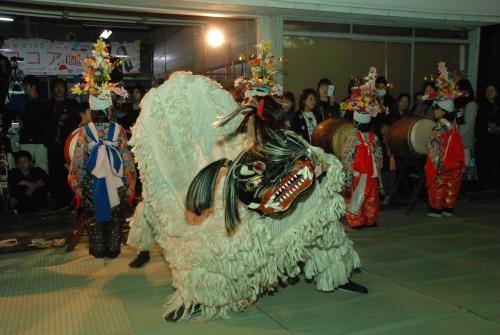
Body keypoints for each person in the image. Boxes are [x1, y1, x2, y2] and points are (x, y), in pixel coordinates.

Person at [128, 41, 365, 322]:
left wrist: (318, 168)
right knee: (220, 240)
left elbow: (311, 164)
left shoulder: (284, 143)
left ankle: (335, 271)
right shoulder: (241, 157)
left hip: (279, 192)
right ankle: (202, 295)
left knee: (323, 215)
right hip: (256, 202)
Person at [68, 39, 136, 258]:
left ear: (91, 108)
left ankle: (99, 249)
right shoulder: (118, 130)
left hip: (92, 182)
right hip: (115, 181)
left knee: (96, 216)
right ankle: (113, 248)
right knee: (115, 217)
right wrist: (130, 184)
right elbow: (127, 161)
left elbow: (77, 161)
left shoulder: (84, 131)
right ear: (110, 108)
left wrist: (76, 184)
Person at [341, 67, 384, 228]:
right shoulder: (374, 137)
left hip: (358, 171)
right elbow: (379, 155)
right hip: (371, 171)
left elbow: (347, 155)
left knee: (357, 195)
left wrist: (348, 171)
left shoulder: (354, 137)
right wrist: (378, 169)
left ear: (355, 122)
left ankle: (356, 220)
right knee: (372, 196)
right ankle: (371, 219)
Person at [424, 62, 465, 217]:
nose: (434, 111)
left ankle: (436, 208)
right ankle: (448, 208)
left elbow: (432, 147)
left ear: (443, 111)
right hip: (455, 160)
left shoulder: (439, 127)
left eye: (436, 108)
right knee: (452, 185)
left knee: (437, 184)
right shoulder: (454, 125)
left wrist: (431, 163)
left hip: (440, 161)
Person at [46, 78, 80, 207]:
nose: (59, 89)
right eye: (56, 87)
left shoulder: (72, 103)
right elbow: (45, 123)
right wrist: (57, 121)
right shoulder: (47, 105)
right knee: (55, 171)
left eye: (61, 87)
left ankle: (72, 198)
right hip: (54, 144)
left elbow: (76, 120)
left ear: (65, 89)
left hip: (69, 143)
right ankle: (57, 199)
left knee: (70, 170)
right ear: (52, 89)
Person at [7, 75, 49, 173]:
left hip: (41, 143)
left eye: (25, 85)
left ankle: (41, 188)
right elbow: (12, 120)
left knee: (42, 169)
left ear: (33, 86)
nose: (23, 88)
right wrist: (14, 144)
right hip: (24, 142)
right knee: (24, 170)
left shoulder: (44, 102)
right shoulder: (19, 101)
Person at [475, 83, 500, 188]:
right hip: (485, 139)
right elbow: (479, 122)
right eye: (487, 91)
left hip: (497, 138)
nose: (489, 93)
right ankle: (485, 183)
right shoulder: (481, 106)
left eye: (492, 90)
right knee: (485, 161)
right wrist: (487, 126)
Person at [455, 79, 478, 169]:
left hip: (465, 142)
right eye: (456, 90)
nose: (457, 92)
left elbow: (468, 125)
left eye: (459, 89)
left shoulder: (471, 104)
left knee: (465, 170)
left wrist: (456, 136)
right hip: (458, 141)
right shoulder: (460, 103)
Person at [0, 35, 11, 105]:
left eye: (0, 43)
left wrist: (3, 67)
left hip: (1, 88)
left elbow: (7, 75)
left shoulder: (4, 59)